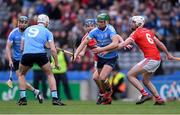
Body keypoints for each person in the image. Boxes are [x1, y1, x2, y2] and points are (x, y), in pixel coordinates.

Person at [93, 16, 175, 105]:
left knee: (130, 75)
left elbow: (122, 44)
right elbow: (160, 44)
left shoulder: (136, 33)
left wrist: (106, 50)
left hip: (151, 59)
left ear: (138, 24)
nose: (131, 24)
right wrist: (168, 54)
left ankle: (144, 94)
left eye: (133, 22)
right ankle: (159, 99)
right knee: (145, 80)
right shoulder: (149, 31)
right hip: (157, 59)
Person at [18, 14, 65, 106]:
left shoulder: (28, 29)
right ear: (46, 22)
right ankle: (55, 98)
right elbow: (52, 50)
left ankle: (23, 99)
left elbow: (22, 47)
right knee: (50, 74)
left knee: (21, 75)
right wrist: (56, 63)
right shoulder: (47, 32)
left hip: (27, 54)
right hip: (40, 54)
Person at [74, 13, 120, 105]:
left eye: (101, 22)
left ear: (106, 22)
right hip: (100, 58)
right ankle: (105, 96)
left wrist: (101, 49)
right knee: (97, 78)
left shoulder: (110, 29)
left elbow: (115, 43)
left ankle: (108, 92)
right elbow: (83, 44)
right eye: (98, 22)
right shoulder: (94, 32)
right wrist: (76, 54)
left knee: (102, 78)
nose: (99, 24)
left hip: (111, 57)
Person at [5, 16, 43, 104]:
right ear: (18, 23)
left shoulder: (30, 32)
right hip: (16, 60)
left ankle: (24, 98)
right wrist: (10, 60)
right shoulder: (13, 33)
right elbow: (8, 47)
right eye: (20, 22)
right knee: (21, 78)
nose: (22, 24)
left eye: (24, 22)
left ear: (27, 23)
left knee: (20, 77)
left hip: (27, 58)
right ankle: (35, 92)